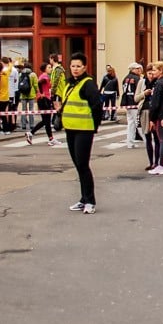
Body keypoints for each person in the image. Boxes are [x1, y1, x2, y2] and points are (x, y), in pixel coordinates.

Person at [61, 52, 103, 214]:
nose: (75, 69)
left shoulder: (88, 84)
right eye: (73, 66)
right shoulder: (70, 84)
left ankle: (90, 201)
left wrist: (95, 126)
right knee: (78, 165)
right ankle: (83, 199)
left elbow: (97, 106)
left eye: (78, 66)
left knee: (83, 165)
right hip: (70, 129)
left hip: (84, 129)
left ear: (84, 67)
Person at [146, 62, 163, 174]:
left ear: (161, 71)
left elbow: (155, 103)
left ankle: (162, 165)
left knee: (162, 140)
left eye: (155, 70)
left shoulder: (159, 83)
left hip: (160, 115)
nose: (153, 72)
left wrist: (152, 118)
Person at [26, 63, 59, 146]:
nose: (50, 68)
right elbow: (39, 83)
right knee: (46, 120)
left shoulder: (44, 76)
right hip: (44, 99)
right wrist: (42, 93)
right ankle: (49, 138)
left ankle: (33, 134)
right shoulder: (44, 76)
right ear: (45, 69)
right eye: (49, 67)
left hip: (45, 99)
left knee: (46, 121)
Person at [121, 63, 143, 148]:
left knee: (131, 123)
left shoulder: (125, 78)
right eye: (138, 69)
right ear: (133, 69)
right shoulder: (137, 79)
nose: (139, 70)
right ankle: (146, 140)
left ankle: (130, 142)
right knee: (139, 123)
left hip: (127, 102)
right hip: (135, 102)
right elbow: (139, 90)